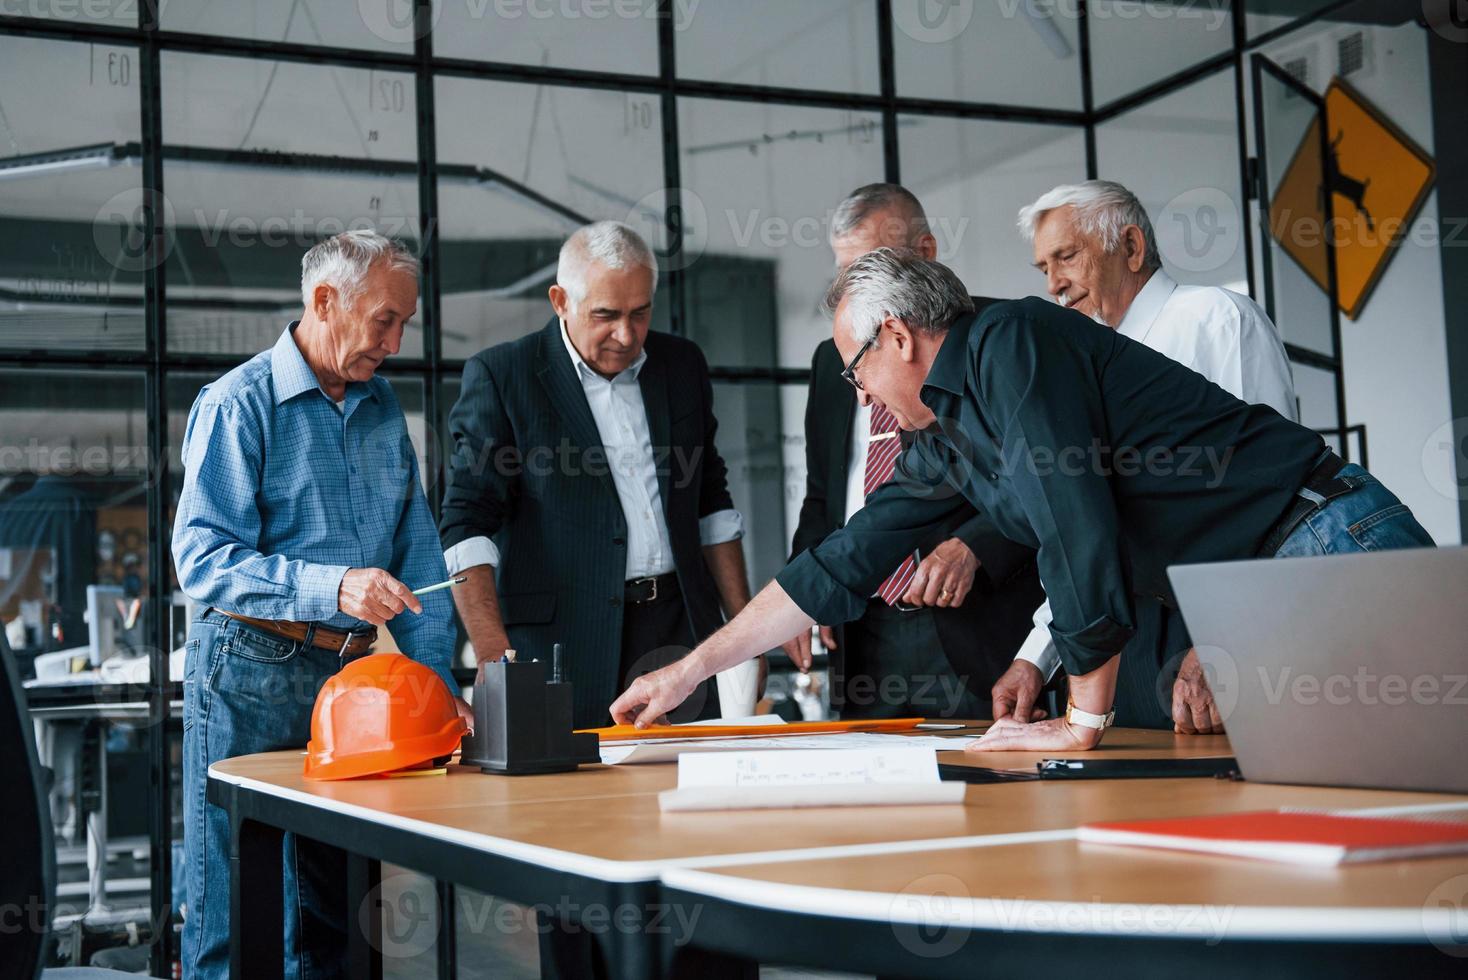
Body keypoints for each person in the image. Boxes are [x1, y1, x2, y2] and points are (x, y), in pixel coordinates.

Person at [609, 248, 1434, 753]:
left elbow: (1076, 530)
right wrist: (691, 670)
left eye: (854, 372)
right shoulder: (943, 440)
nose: (858, 396)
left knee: (1425, 787)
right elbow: (841, 561)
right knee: (1354, 818)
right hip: (1257, 591)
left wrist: (1081, 720)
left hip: (1324, 538)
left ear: (896, 336)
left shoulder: (1013, 344)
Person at [173, 230, 467, 980]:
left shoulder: (379, 407)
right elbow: (200, 558)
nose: (396, 343)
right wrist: (333, 586)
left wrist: (440, 683)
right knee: (235, 907)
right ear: (325, 302)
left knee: (336, 910)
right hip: (248, 671)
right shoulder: (238, 405)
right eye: (384, 321)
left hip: (352, 681)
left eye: (405, 323)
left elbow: (420, 559)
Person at [993, 179, 1300, 733]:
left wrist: (1220, 638)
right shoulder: (1074, 371)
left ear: (1131, 247)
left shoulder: (1215, 317)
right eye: (1043, 267)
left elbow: (1275, 496)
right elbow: (1083, 534)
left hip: (1202, 636)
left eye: (1067, 256)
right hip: (1117, 647)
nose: (1055, 284)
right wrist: (1035, 657)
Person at [439, 221, 757, 730]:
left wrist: (745, 631)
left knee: (685, 790)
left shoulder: (681, 365)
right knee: (568, 800)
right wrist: (493, 655)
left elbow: (710, 499)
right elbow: (465, 524)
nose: (626, 335)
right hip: (558, 643)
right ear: (560, 300)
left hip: (678, 629)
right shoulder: (504, 376)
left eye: (640, 313)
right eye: (606, 315)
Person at [789, 183, 1040, 718]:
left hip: (971, 619)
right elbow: (822, 497)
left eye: (871, 268)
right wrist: (805, 591)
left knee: (991, 787)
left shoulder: (999, 338)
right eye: (844, 273)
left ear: (925, 253)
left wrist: (975, 544)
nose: (854, 292)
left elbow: (1049, 483)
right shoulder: (831, 357)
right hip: (862, 626)